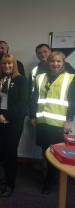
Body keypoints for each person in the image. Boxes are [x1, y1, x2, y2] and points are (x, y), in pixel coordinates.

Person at [30, 51, 75, 194]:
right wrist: (32, 116)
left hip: (59, 124)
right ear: (48, 63)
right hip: (42, 121)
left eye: (59, 61)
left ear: (63, 63)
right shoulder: (40, 77)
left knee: (55, 154)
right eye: (52, 61)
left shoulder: (70, 78)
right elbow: (34, 98)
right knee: (44, 151)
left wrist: (69, 121)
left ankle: (50, 181)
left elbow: (73, 102)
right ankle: (50, 175)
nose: (55, 64)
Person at [0, 54, 28, 197]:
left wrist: (6, 116)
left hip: (14, 121)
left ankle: (10, 184)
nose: (7, 66)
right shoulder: (0, 80)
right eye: (4, 64)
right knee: (3, 151)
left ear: (14, 65)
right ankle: (6, 177)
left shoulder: (21, 80)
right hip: (1, 120)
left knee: (10, 151)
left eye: (10, 64)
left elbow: (21, 105)